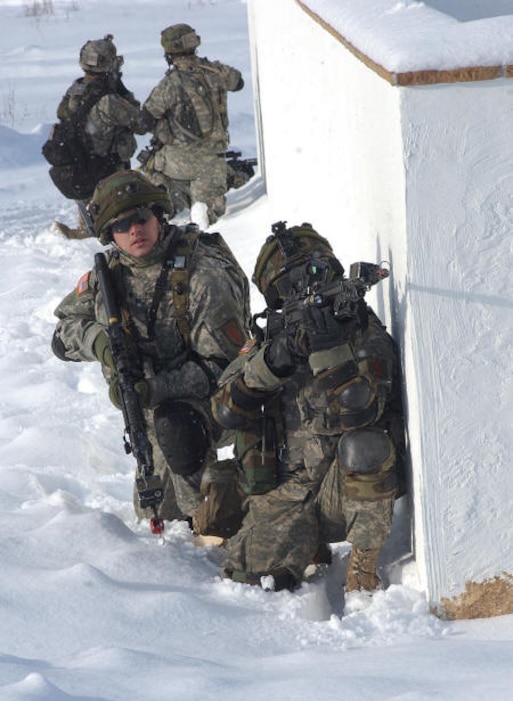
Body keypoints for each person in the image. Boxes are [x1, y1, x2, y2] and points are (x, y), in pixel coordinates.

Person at [51, 170, 252, 537]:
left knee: (178, 433)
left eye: (141, 218)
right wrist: (102, 344)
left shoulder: (202, 274)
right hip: (150, 413)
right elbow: (62, 334)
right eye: (121, 225)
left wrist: (154, 388)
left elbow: (223, 369)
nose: (134, 231)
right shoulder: (109, 274)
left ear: (158, 216)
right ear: (109, 235)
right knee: (154, 519)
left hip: (213, 405)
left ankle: (216, 526)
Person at [211, 222, 406, 593]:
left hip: (343, 494)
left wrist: (329, 349)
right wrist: (277, 359)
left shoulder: (365, 334)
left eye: (314, 273)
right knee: (252, 582)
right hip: (283, 495)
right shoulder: (265, 345)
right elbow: (224, 412)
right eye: (289, 284)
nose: (304, 288)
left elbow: (361, 409)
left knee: (366, 445)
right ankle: (304, 543)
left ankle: (362, 570)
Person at [139, 24, 244, 229]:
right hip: (212, 164)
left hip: (177, 163)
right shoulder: (217, 71)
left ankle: (167, 198)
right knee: (206, 216)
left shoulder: (169, 84)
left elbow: (144, 122)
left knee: (151, 166)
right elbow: (238, 82)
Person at [50, 35, 146, 240]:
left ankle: (85, 227)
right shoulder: (109, 100)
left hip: (82, 162)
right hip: (106, 167)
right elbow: (140, 123)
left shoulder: (75, 90)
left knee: (92, 205)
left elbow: (63, 114)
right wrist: (123, 92)